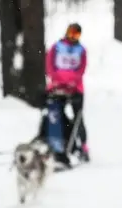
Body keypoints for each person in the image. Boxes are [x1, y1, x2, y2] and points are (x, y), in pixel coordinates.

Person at [45, 22, 89, 164]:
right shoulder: (56, 47)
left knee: (78, 118)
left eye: (76, 34)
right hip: (57, 87)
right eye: (71, 33)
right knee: (56, 116)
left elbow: (81, 70)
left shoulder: (81, 50)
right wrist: (57, 81)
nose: (73, 37)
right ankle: (59, 146)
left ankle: (83, 146)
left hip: (76, 89)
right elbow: (50, 66)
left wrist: (73, 82)